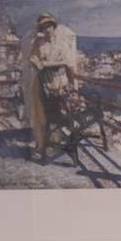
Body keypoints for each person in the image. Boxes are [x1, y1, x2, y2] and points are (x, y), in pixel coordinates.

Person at [19, 11, 83, 163]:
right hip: (41, 83)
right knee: (41, 115)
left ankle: (55, 142)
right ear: (41, 29)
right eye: (44, 27)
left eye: (50, 26)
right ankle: (41, 144)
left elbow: (68, 64)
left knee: (58, 114)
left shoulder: (62, 44)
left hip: (58, 82)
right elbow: (33, 62)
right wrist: (51, 64)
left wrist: (73, 84)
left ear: (54, 28)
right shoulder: (38, 44)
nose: (47, 30)